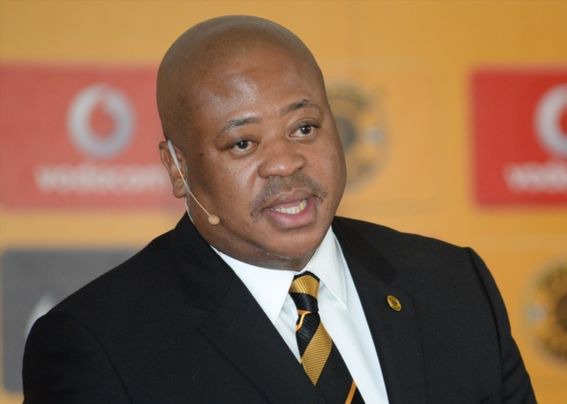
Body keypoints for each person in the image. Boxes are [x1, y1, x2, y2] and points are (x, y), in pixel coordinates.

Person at [22, 15, 536, 403]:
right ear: (178, 167)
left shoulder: (453, 285)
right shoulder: (97, 346)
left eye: (304, 128)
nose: (286, 162)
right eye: (242, 143)